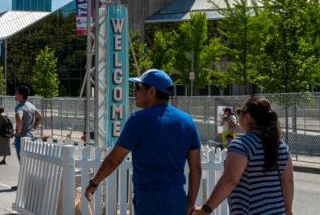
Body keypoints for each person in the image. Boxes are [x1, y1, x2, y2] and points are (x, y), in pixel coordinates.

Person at [83, 69, 202, 215]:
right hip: (177, 198)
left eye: (138, 88)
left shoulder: (138, 120)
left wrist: (94, 182)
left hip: (149, 199)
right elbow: (196, 168)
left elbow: (114, 159)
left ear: (152, 91)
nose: (135, 93)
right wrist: (190, 202)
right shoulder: (187, 121)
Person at [194, 97, 294, 215]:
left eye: (240, 112)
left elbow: (230, 180)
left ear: (248, 117)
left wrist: (205, 210)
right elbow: (288, 181)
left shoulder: (241, 144)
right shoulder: (281, 146)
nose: (238, 116)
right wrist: (288, 211)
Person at [13, 85, 42, 162]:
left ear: (21, 95)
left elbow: (19, 118)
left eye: (16, 93)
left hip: (21, 137)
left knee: (23, 162)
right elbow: (39, 116)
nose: (15, 95)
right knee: (29, 162)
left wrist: (18, 132)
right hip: (30, 135)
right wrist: (34, 128)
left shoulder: (19, 107)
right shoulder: (31, 106)